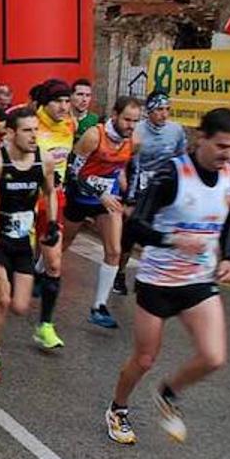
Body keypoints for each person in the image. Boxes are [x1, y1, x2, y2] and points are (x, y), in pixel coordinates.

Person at [105, 107, 230, 445]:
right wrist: (173, 239)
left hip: (198, 280)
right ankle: (118, 409)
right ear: (201, 139)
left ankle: (168, 392)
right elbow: (136, 226)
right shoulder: (173, 174)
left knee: (214, 357)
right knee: (145, 358)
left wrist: (226, 257)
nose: (227, 155)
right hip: (159, 281)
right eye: (221, 146)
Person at [0, 106, 58, 383]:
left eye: (36, 130)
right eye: (27, 130)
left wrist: (52, 224)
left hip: (23, 240)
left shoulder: (44, 161)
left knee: (21, 306)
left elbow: (51, 193)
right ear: (10, 133)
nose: (34, 135)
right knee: (4, 299)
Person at [63, 96, 140, 331]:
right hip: (81, 195)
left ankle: (98, 307)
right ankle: (40, 271)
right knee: (63, 243)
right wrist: (98, 193)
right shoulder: (94, 136)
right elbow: (72, 173)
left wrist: (128, 196)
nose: (131, 125)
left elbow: (130, 167)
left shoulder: (133, 141)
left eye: (136, 121)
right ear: (115, 115)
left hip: (107, 200)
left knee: (114, 250)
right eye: (127, 119)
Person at [117, 92, 188, 296]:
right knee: (129, 236)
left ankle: (156, 278)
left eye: (167, 109)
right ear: (149, 112)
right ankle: (119, 273)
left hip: (163, 190)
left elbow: (181, 161)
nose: (164, 114)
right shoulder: (137, 131)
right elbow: (126, 163)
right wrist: (128, 198)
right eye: (159, 110)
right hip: (137, 186)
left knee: (158, 234)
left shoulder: (176, 131)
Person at [30, 78, 76, 349]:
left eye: (66, 101)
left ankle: (45, 326)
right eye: (58, 101)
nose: (63, 106)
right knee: (13, 261)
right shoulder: (31, 124)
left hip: (52, 199)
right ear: (44, 103)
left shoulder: (71, 124)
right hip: (22, 200)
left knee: (54, 264)